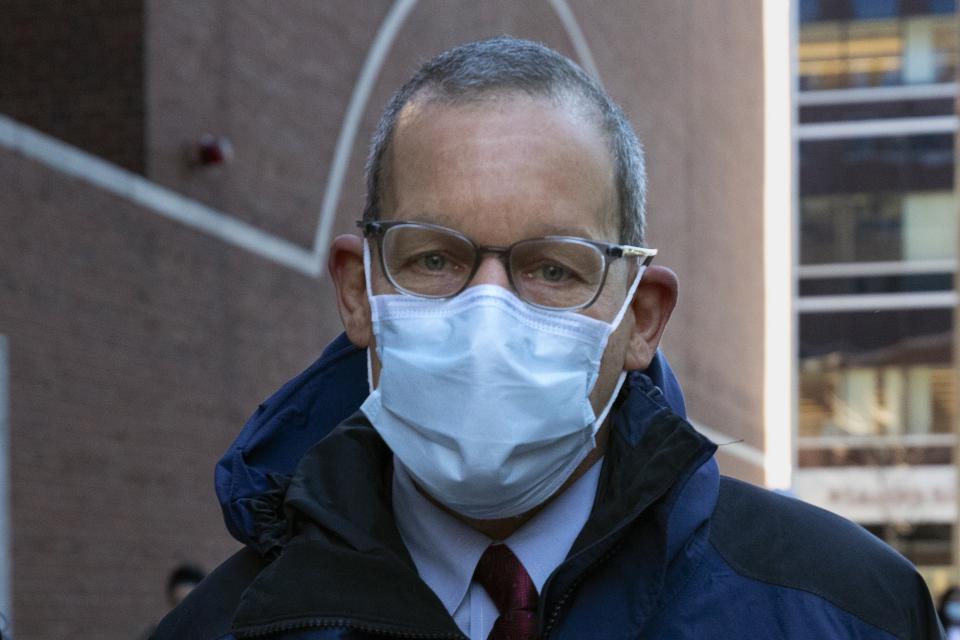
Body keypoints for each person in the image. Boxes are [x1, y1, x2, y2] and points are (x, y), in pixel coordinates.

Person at [155, 37, 944, 640]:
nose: (487, 314)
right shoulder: (221, 628)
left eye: (553, 269)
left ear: (641, 317)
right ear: (358, 290)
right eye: (434, 257)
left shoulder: (844, 610)